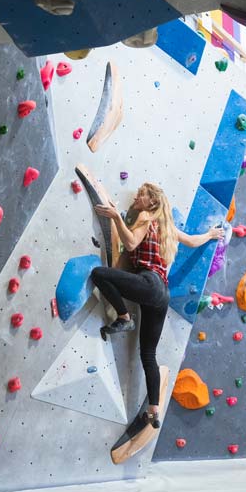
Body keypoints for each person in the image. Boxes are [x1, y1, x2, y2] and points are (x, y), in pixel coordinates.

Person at [91, 182, 224, 429]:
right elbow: (194, 241)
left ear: (151, 202)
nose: (136, 198)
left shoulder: (145, 217)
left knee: (99, 274)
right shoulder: (168, 227)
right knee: (148, 354)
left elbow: (130, 243)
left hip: (148, 283)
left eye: (140, 195)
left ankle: (123, 316)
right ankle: (154, 412)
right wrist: (210, 235)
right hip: (161, 295)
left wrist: (115, 218)